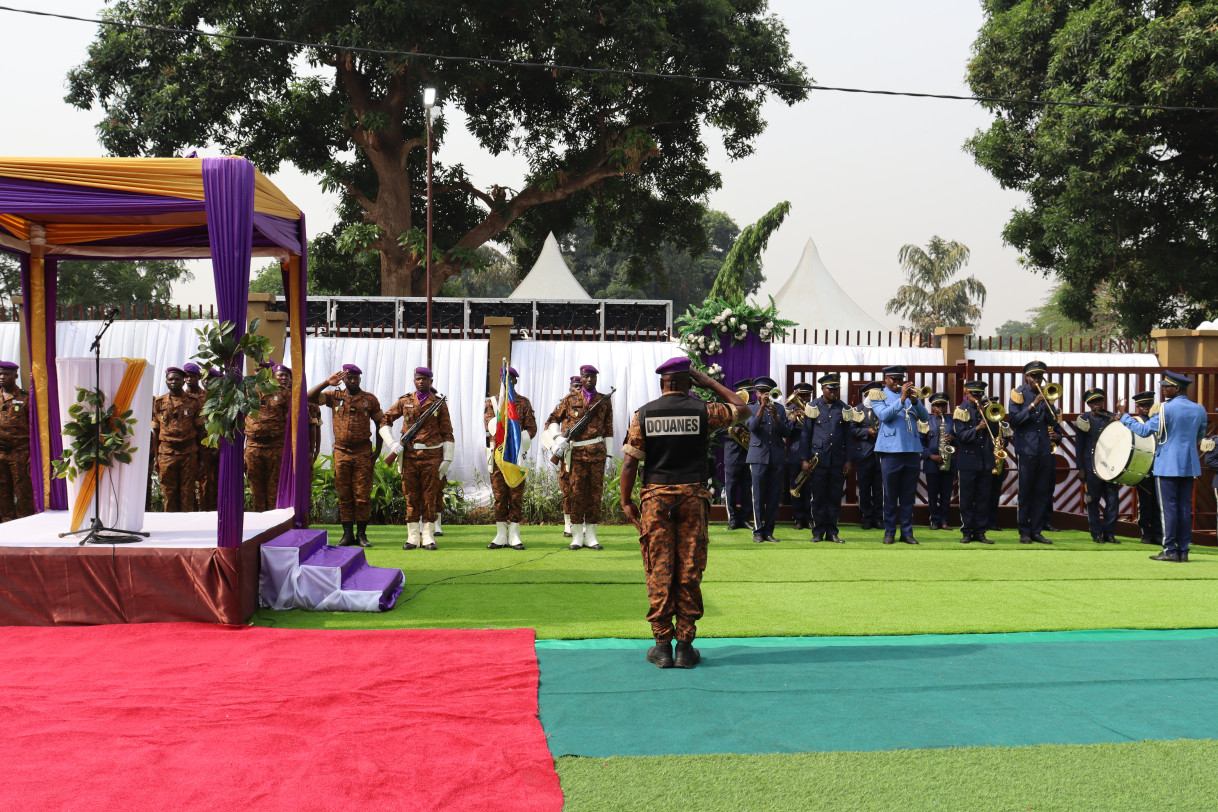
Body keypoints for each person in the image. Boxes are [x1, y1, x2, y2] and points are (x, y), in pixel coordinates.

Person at [621, 357, 748, 669]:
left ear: (664, 382)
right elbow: (743, 410)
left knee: (659, 568)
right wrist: (709, 382)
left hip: (655, 498)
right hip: (692, 495)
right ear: (686, 381)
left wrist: (626, 501)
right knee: (690, 566)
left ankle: (662, 646)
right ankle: (685, 648)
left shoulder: (644, 414)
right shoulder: (703, 410)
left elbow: (629, 462)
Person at [1121, 371, 1209, 562]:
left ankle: (1169, 549)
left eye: (1166, 386)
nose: (1163, 389)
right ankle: (1183, 550)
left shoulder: (1165, 409)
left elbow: (1143, 431)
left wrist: (1124, 416)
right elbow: (1199, 434)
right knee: (1185, 508)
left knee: (1168, 509)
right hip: (1189, 464)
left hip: (1168, 464)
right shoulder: (1199, 409)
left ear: (1176, 389)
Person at [379, 367, 454, 550]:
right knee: (411, 496)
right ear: (414, 381)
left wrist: (447, 459)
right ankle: (413, 536)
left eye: (425, 379)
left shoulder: (438, 403)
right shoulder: (404, 401)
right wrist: (392, 444)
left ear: (431, 381)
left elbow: (447, 432)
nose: (421, 382)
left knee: (429, 496)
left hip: (431, 456)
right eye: (418, 379)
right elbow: (384, 421)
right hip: (410, 456)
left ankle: (428, 535)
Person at [310, 364, 384, 548]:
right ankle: (347, 535)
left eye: (355, 378)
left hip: (362, 452)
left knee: (362, 496)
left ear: (360, 379)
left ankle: (361, 535)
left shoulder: (370, 399)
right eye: (348, 378)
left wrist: (378, 450)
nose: (352, 381)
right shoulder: (334, 397)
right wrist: (327, 382)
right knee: (344, 495)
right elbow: (308, 397)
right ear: (343, 379)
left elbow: (380, 423)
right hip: (341, 452)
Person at [546, 365, 614, 550]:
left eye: (593, 377)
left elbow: (608, 428)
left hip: (597, 454)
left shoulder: (604, 401)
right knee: (576, 494)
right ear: (581, 379)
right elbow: (552, 419)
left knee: (594, 496)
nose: (589, 380)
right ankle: (576, 535)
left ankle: (591, 536)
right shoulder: (570, 399)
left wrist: (609, 453)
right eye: (586, 377)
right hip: (576, 454)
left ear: (596, 378)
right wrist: (558, 438)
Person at [873, 365, 929, 544]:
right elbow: (883, 416)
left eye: (900, 379)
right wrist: (902, 398)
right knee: (890, 494)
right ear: (886, 380)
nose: (897, 383)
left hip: (912, 449)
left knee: (908, 495)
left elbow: (925, 417)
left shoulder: (911, 396)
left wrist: (914, 401)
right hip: (890, 450)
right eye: (893, 379)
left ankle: (907, 532)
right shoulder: (878, 396)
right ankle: (889, 532)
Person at [1008, 360, 1062, 545]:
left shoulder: (1047, 394)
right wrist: (1033, 405)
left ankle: (1037, 531)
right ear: (1027, 377)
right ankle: (1024, 531)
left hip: (1044, 448)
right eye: (1034, 376)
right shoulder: (1017, 395)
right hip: (1026, 448)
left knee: (1041, 491)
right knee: (1026, 491)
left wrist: (1047, 403)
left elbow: (1053, 421)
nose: (1037, 379)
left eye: (1040, 376)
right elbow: (1014, 420)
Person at [485, 366, 538, 550]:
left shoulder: (523, 402)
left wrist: (518, 441)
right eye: (503, 378)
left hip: (515, 457)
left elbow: (532, 429)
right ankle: (500, 535)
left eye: (509, 379)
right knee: (500, 496)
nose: (505, 382)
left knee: (515, 496)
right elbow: (489, 425)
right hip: (498, 456)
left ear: (514, 381)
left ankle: (514, 535)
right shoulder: (492, 402)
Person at [801, 374, 851, 542]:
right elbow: (806, 435)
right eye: (830, 389)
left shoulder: (843, 408)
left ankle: (832, 532)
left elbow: (848, 436)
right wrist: (804, 460)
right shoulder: (813, 407)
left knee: (835, 497)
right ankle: (818, 532)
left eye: (836, 389)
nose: (833, 392)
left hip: (837, 459)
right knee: (818, 497)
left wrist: (848, 460)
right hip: (818, 460)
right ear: (822, 389)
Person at [745, 376, 792, 542]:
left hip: (777, 457)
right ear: (756, 393)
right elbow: (751, 427)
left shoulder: (779, 408)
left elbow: (787, 432)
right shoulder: (750, 408)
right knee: (758, 496)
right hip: (758, 457)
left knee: (773, 496)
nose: (765, 394)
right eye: (762, 392)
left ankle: (769, 531)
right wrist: (762, 408)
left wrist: (777, 418)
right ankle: (758, 532)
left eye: (768, 392)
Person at [151, 366, 203, 512]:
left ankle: (188, 528)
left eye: (177, 379)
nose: (174, 382)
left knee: (187, 493)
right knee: (169, 494)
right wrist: (156, 457)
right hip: (167, 453)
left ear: (183, 381)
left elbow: (200, 430)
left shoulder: (193, 402)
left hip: (188, 453)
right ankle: (170, 527)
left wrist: (201, 458)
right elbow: (155, 430)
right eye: (170, 379)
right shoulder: (159, 402)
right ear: (166, 382)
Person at [954, 381, 1000, 543]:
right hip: (968, 461)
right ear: (967, 394)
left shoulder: (989, 409)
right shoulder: (961, 411)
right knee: (966, 498)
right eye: (974, 395)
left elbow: (995, 433)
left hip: (985, 460)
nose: (977, 398)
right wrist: (977, 428)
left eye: (980, 394)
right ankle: (967, 531)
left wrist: (989, 416)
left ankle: (980, 531)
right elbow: (961, 437)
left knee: (983, 498)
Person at [244, 363, 292, 511]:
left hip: (275, 446)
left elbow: (290, 420)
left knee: (274, 489)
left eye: (264, 370)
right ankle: (259, 525)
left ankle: (273, 525)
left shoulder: (283, 392)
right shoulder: (246, 391)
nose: (261, 373)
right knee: (256, 488)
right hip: (253, 447)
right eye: (258, 370)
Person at [1075, 388, 1120, 543]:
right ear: (1089, 404)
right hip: (1091, 465)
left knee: (1113, 500)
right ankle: (1096, 533)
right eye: (1093, 402)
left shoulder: (1112, 418)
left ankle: (1110, 533)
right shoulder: (1084, 419)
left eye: (1099, 401)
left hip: (1111, 465)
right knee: (1092, 500)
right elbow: (1079, 445)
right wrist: (1080, 468)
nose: (1097, 404)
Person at [0, 360, 33, 522]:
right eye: (0, 374)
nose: (1, 377)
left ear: (16, 376)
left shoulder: (26, 398)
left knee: (22, 492)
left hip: (19, 452)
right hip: (0, 452)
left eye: (6, 374)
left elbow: (34, 427)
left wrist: (32, 454)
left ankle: (25, 524)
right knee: (2, 492)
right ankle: (6, 525)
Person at [849, 381, 883, 530]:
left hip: (881, 453)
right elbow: (850, 430)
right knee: (864, 487)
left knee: (879, 488)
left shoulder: (883, 408)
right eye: (873, 393)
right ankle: (866, 517)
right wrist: (866, 432)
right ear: (866, 394)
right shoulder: (858, 410)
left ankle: (878, 517)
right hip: (863, 452)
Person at [1129, 391, 1163, 545]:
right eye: (1142, 405)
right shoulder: (1136, 421)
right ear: (1137, 407)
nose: (1145, 408)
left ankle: (1157, 533)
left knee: (1158, 503)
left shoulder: (1158, 420)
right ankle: (1145, 533)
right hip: (1143, 466)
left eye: (1148, 405)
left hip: (1159, 465)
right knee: (1144, 503)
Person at [721, 378, 754, 530]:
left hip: (749, 453)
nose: (748, 397)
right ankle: (733, 519)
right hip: (732, 454)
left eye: (749, 393)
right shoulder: (728, 409)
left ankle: (745, 518)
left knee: (748, 487)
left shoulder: (755, 409)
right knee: (731, 487)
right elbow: (717, 429)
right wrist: (733, 430)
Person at [921, 392, 957, 531]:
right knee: (932, 493)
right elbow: (920, 443)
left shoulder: (952, 422)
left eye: (943, 405)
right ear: (933, 407)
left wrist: (953, 439)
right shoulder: (926, 423)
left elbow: (960, 441)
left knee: (946, 493)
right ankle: (934, 520)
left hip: (948, 461)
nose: (941, 408)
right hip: (932, 463)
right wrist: (930, 455)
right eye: (938, 406)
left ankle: (944, 521)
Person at [785, 382, 815, 530]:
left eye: (806, 395)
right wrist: (793, 420)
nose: (803, 398)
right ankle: (798, 518)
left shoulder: (815, 410)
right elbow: (786, 433)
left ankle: (809, 518)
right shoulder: (790, 411)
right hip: (796, 453)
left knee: (810, 488)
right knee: (795, 487)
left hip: (812, 452)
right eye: (801, 396)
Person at [195, 366, 222, 511]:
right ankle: (204, 512)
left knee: (219, 482)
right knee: (204, 484)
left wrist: (220, 445)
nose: (206, 382)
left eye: (210, 379)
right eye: (204, 379)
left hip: (219, 447)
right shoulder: (193, 397)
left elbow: (225, 424)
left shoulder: (222, 398)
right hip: (202, 447)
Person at [558, 375, 582, 538]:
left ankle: (582, 523)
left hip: (584, 453)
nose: (578, 389)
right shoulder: (565, 403)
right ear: (570, 388)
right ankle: (568, 523)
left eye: (580, 386)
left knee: (583, 489)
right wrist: (557, 440)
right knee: (567, 489)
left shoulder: (590, 405)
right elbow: (550, 422)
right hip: (567, 452)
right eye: (575, 386)